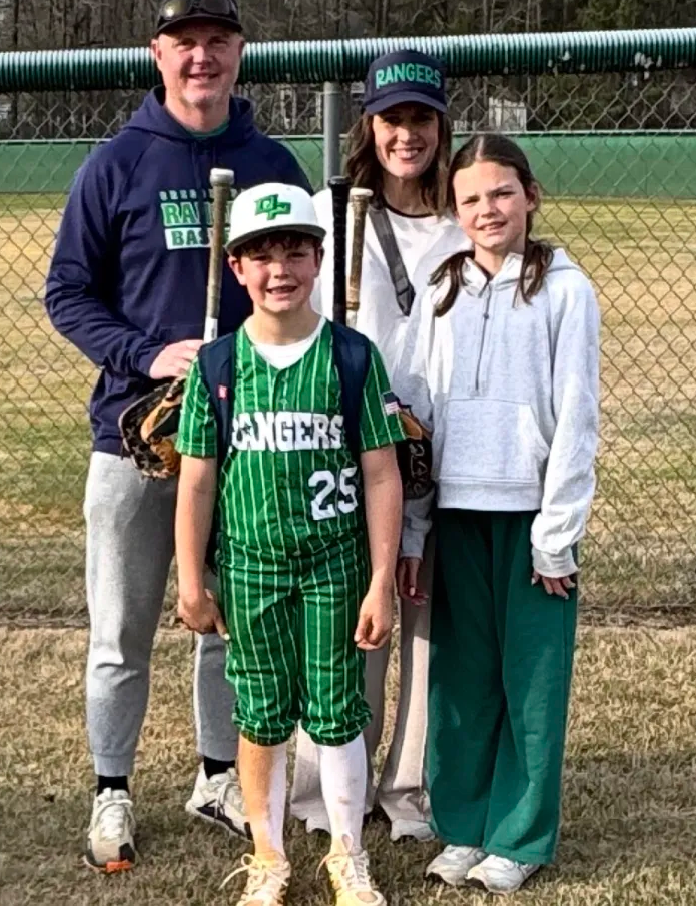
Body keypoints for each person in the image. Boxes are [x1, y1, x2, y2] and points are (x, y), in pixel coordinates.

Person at [44, 0, 310, 873]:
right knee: (120, 628)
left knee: (224, 617)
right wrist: (151, 355)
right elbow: (67, 294)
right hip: (136, 433)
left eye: (217, 39)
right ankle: (111, 791)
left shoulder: (274, 164)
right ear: (158, 55)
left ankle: (216, 778)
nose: (201, 56)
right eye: (183, 40)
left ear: (239, 54)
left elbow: (305, 297)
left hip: (250, 443)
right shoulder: (116, 163)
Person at [175, 182, 405, 906]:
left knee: (338, 714)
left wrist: (379, 580)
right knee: (262, 717)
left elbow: (380, 475)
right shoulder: (217, 368)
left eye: (296, 253)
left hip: (334, 564)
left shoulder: (351, 358)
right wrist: (190, 578)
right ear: (237, 268)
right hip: (251, 566)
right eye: (262, 256)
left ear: (319, 258)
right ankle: (268, 856)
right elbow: (197, 485)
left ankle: (347, 853)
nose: (280, 270)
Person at [394, 133, 600, 894]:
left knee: (532, 683)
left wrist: (556, 537)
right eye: (471, 198)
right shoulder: (441, 286)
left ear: (531, 196)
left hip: (529, 520)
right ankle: (463, 824)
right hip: (455, 513)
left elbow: (576, 419)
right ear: (455, 209)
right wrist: (414, 527)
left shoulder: (565, 289)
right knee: (463, 677)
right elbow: (414, 413)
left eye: (502, 193)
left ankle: (520, 834)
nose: (488, 209)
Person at [292, 49, 466, 843]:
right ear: (368, 122)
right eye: (393, 118)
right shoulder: (332, 215)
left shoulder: (465, 220)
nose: (407, 134)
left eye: (421, 119)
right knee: (346, 619)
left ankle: (409, 792)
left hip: (436, 448)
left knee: (424, 618)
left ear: (441, 125)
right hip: (345, 446)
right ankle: (325, 788)